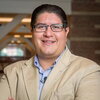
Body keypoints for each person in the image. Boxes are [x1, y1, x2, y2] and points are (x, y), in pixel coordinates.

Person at [0, 4, 100, 100]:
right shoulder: (12, 72)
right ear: (32, 32)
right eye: (41, 27)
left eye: (56, 27)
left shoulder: (88, 71)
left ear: (66, 31)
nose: (48, 33)